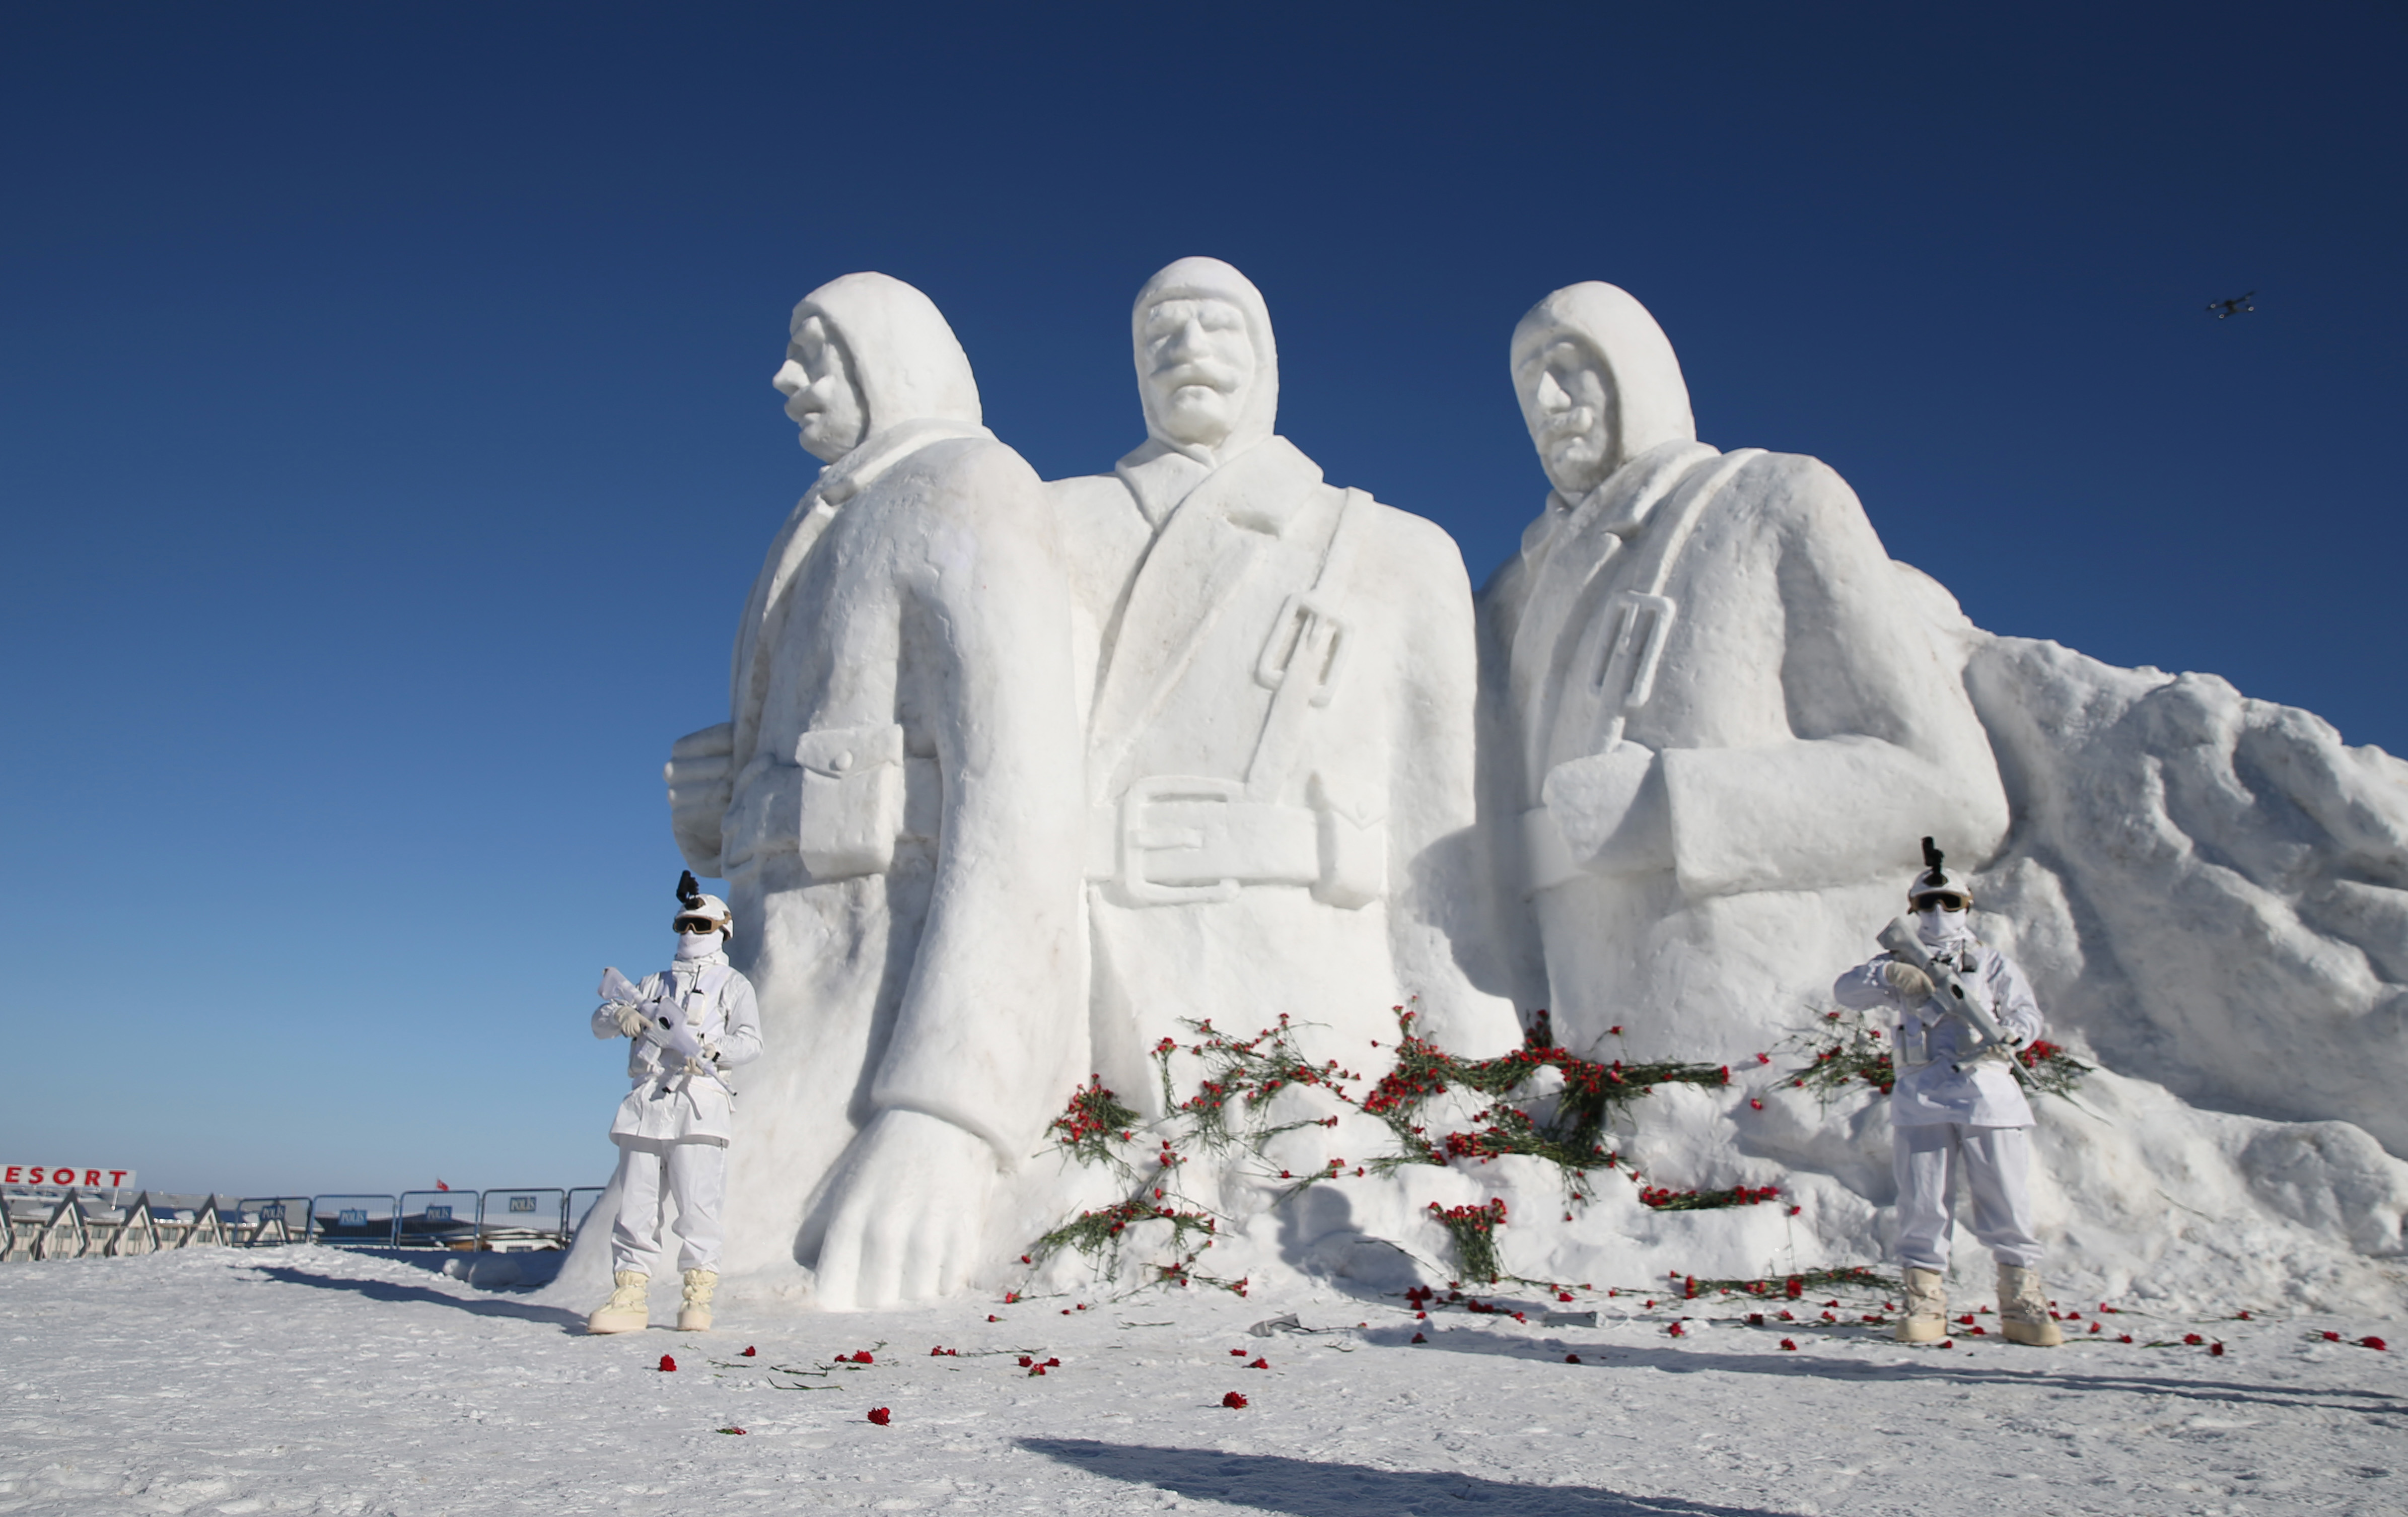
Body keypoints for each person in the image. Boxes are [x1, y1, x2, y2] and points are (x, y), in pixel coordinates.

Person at [660, 272, 1085, 1309]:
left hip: (874, 1011)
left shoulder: (972, 484)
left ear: (889, 359)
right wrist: (716, 807)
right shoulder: (822, 520)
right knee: (645, 1254)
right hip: (776, 989)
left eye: (816, 348)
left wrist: (946, 1113)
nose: (785, 376)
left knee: (674, 1266)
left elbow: (1021, 802)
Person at [1047, 256, 1520, 1162]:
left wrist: (1471, 1053)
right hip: (1111, 982)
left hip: (1320, 996)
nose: (1186, 346)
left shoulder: (1398, 550)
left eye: (1217, 324)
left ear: (1266, 357)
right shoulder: (1055, 521)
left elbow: (1440, 831)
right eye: (1159, 333)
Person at [1481, 282, 2011, 1064]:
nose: (1549, 402)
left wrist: (1669, 806)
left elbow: (1953, 795)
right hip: (1574, 1051)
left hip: (1759, 1041)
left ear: (1638, 375)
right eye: (1528, 387)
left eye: (1570, 368)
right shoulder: (1513, 594)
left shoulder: (1768, 499)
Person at [1833, 842, 2061, 1347]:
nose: (1939, 912)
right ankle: (1925, 1298)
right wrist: (1889, 974)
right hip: (1923, 1095)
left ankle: (2021, 1298)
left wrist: (2013, 1036)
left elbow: (2026, 1013)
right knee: (1923, 1203)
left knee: (2006, 1200)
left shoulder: (1993, 963)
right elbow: (1845, 992)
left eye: (1950, 903)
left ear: (1967, 906)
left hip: (1988, 1093)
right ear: (1913, 910)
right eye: (1928, 904)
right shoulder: (1900, 959)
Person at [586, 873, 762, 1334]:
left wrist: (711, 1047)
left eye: (699, 926)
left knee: (698, 1207)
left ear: (721, 931)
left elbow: (752, 1042)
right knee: (636, 1208)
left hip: (699, 1104)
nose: (689, 933)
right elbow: (600, 1020)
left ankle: (697, 1298)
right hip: (647, 1102)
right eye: (683, 924)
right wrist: (622, 1014)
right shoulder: (652, 982)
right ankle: (629, 1295)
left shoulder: (734, 985)